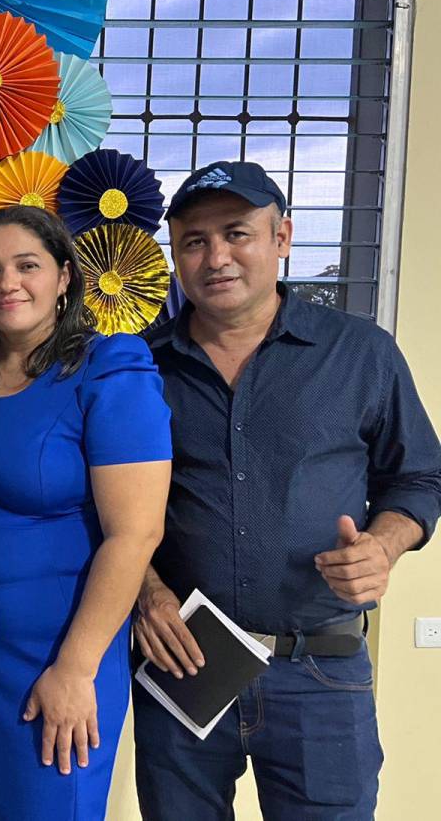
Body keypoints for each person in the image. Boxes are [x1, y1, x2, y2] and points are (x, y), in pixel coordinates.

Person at [133, 161, 441, 820]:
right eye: (194, 241)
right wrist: (145, 591)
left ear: (283, 237)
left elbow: (417, 475)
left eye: (237, 233)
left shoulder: (361, 353)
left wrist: (384, 546)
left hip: (321, 668)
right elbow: (100, 506)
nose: (216, 256)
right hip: (187, 659)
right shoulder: (138, 367)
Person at [0, 205, 172, 819]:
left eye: (27, 266)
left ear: (65, 276)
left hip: (60, 656)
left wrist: (76, 667)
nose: (7, 284)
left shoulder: (109, 367)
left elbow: (135, 533)